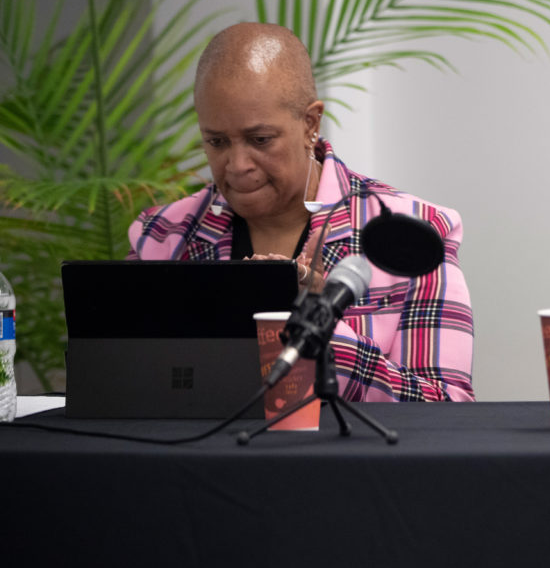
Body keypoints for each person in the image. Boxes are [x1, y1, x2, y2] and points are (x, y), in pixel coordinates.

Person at [128, 22, 474, 400]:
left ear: (310, 123)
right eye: (217, 142)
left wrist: (319, 328)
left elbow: (444, 406)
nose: (237, 163)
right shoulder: (162, 236)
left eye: (260, 140)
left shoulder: (411, 232)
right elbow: (125, 389)